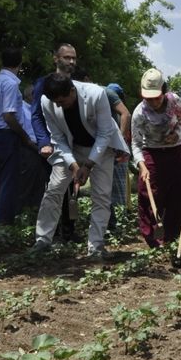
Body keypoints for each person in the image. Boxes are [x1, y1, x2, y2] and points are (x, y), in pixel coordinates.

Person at [31, 73, 129, 259]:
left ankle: (96, 247)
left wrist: (89, 165)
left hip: (101, 147)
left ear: (72, 91)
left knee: (101, 196)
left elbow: (104, 133)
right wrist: (75, 167)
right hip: (70, 146)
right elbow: (58, 137)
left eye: (63, 101)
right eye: (56, 103)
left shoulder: (96, 94)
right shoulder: (47, 101)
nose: (60, 105)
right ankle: (42, 241)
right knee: (54, 190)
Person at [131, 68, 181, 248]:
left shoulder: (175, 101)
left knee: (177, 193)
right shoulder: (139, 113)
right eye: (149, 98)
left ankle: (174, 236)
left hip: (175, 150)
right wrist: (142, 166)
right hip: (151, 152)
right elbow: (136, 143)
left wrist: (177, 134)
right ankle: (155, 240)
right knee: (149, 194)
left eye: (157, 97)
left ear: (164, 91)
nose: (154, 102)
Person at [32, 43, 80, 242]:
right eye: (67, 57)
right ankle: (46, 236)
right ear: (56, 59)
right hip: (53, 144)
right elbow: (36, 115)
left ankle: (69, 231)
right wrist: (44, 141)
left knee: (74, 188)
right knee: (54, 188)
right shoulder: (43, 84)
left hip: (76, 144)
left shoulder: (77, 86)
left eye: (73, 58)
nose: (71, 61)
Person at [0, 47, 35, 225]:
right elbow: (9, 116)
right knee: (9, 181)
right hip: (7, 135)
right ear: (19, 64)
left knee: (2, 180)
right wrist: (25, 137)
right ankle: (0, 222)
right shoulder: (11, 84)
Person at [18, 84, 49, 211]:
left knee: (40, 182)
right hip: (29, 148)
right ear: (30, 96)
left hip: (41, 149)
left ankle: (36, 210)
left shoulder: (37, 109)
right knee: (28, 183)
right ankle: (25, 213)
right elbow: (25, 131)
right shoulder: (23, 109)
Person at [105, 83, 131, 233]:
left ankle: (117, 222)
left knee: (114, 190)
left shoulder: (121, 117)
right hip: (116, 155)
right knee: (114, 190)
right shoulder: (112, 114)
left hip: (120, 157)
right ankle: (116, 221)